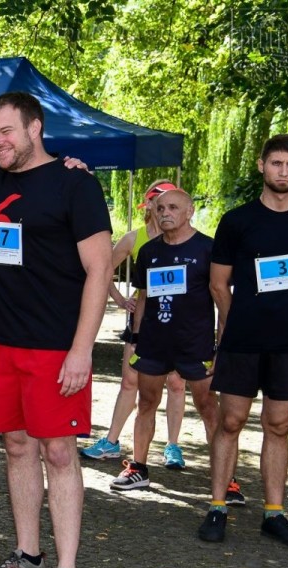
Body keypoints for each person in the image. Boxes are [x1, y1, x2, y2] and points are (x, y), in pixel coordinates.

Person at [0, 92, 112, 568]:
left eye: (6, 131)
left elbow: (100, 270)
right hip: (3, 341)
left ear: (35, 128)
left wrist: (82, 350)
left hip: (56, 346)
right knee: (16, 446)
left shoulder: (76, 183)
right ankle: (29, 556)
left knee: (59, 453)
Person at [198, 133, 288, 549]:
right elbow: (218, 284)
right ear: (262, 165)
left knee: (279, 425)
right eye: (276, 163)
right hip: (243, 340)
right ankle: (217, 506)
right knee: (230, 422)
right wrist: (238, 322)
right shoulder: (237, 221)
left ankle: (274, 514)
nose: (283, 172)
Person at [108, 189, 219, 492]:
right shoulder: (149, 251)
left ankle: (226, 479)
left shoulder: (208, 249)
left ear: (189, 211)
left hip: (195, 344)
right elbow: (144, 297)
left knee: (208, 406)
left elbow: (222, 297)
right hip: (155, 342)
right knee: (146, 402)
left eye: (172, 207)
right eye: (160, 209)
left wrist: (221, 343)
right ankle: (139, 468)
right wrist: (136, 336)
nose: (165, 213)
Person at [81, 181, 191, 474]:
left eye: (169, 204)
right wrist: (119, 299)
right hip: (144, 321)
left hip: (179, 322)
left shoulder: (189, 239)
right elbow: (102, 269)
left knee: (176, 384)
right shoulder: (134, 238)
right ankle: (111, 441)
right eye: (157, 203)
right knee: (130, 381)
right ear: (150, 206)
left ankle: (172, 446)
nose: (162, 210)